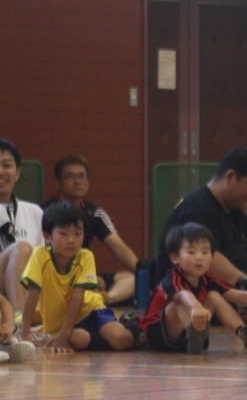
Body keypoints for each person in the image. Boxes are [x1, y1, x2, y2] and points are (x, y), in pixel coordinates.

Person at [156, 147, 247, 321]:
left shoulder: (235, 208)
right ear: (230, 176)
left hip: (244, 282)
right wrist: (245, 282)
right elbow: (206, 258)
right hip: (202, 290)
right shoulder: (199, 209)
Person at [18, 202, 134, 353]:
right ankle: (98, 339)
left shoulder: (85, 256)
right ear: (47, 237)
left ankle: (131, 324)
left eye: (77, 234)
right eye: (64, 234)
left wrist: (65, 333)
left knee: (122, 340)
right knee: (78, 338)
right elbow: (32, 294)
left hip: (91, 310)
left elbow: (78, 297)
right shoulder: (40, 256)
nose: (71, 240)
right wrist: (25, 333)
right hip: (60, 322)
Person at [140, 222, 247, 354]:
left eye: (205, 252)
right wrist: (196, 307)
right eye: (191, 252)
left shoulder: (207, 279)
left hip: (184, 333)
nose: (199, 257)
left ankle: (245, 334)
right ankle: (194, 333)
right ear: (175, 258)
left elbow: (235, 295)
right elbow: (183, 295)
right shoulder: (172, 278)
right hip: (156, 335)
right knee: (179, 304)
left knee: (214, 296)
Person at [44, 155, 141, 307]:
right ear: (58, 182)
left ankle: (104, 300)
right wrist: (88, 277)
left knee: (130, 278)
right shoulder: (44, 212)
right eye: (70, 177)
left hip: (89, 274)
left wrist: (143, 273)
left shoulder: (95, 212)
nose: (77, 182)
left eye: (82, 176)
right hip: (58, 276)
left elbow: (118, 247)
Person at [0, 139, 43, 311]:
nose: (1, 172)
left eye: (7, 165)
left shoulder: (35, 212)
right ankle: (20, 319)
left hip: (29, 287)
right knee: (22, 249)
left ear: (17, 172)